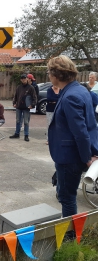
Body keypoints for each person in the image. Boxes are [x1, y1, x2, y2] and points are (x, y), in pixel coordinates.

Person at [47, 55, 98, 218]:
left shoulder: (71, 96)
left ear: (56, 74)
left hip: (70, 157)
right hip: (72, 153)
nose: (49, 76)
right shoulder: (80, 90)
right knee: (66, 196)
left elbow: (81, 131)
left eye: (49, 72)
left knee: (67, 198)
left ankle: (69, 238)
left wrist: (87, 157)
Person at [9, 73, 37, 142]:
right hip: (19, 106)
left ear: (27, 79)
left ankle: (26, 135)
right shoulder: (19, 87)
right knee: (18, 121)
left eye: (25, 78)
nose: (23, 80)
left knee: (26, 122)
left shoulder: (31, 88)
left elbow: (34, 97)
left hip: (26, 107)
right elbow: (15, 96)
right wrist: (14, 103)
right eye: (22, 79)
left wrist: (32, 105)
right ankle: (17, 133)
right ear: (21, 80)